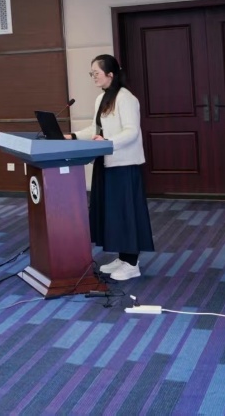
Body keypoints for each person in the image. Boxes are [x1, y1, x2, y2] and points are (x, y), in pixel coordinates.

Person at [70, 54, 152, 282]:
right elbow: (95, 129)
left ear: (110, 74)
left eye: (96, 73)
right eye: (92, 73)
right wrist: (73, 136)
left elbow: (131, 131)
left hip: (124, 164)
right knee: (112, 212)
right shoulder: (102, 98)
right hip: (105, 162)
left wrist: (107, 142)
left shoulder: (126, 98)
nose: (93, 77)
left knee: (126, 212)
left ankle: (132, 263)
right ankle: (123, 257)